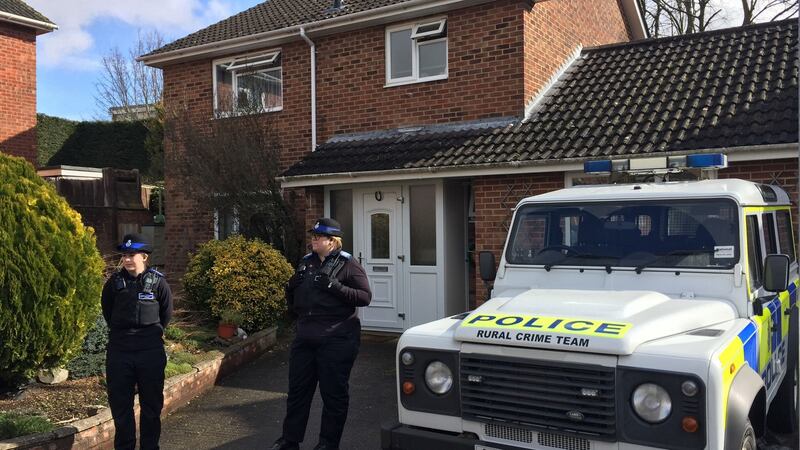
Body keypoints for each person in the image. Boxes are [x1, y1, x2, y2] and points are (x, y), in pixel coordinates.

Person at [272, 218, 372, 450]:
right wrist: (290, 289)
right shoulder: (306, 263)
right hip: (305, 337)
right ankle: (290, 440)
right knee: (297, 392)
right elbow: (295, 300)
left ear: (332, 241)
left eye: (318, 236)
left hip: (337, 338)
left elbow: (364, 297)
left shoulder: (348, 265)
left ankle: (327, 444)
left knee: (333, 395)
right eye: (313, 235)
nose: (313, 239)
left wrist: (334, 286)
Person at [101, 233, 173, 450]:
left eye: (132, 255)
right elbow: (108, 311)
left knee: (151, 407)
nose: (128, 259)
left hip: (149, 351)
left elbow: (166, 314)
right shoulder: (114, 283)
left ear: (144, 256)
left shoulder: (158, 282)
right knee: (120, 406)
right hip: (120, 351)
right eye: (125, 255)